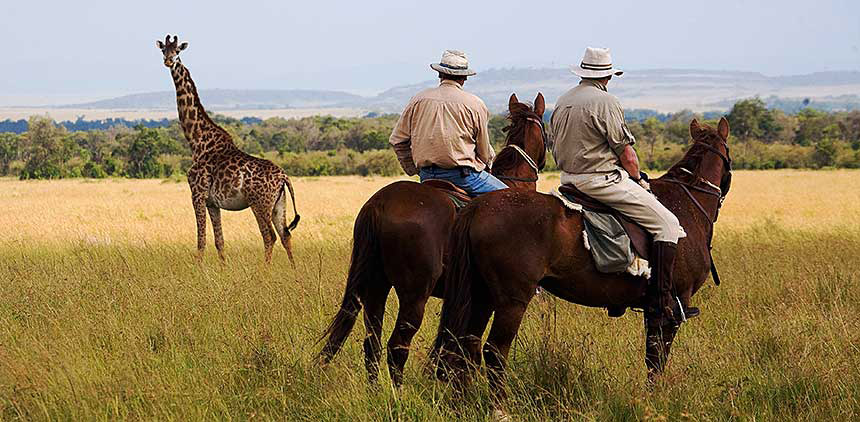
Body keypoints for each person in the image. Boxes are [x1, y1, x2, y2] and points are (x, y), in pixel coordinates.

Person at [549, 47, 696, 326]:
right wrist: (639, 179)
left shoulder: (563, 100)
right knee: (667, 223)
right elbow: (626, 154)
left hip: (568, 180)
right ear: (608, 76)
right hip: (601, 182)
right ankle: (661, 302)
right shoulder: (607, 102)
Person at [389, 50, 507, 196]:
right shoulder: (475, 104)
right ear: (464, 77)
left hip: (426, 176)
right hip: (464, 177)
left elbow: (397, 140)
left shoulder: (418, 99)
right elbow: (483, 151)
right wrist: (488, 163)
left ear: (440, 74)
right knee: (512, 198)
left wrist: (413, 169)